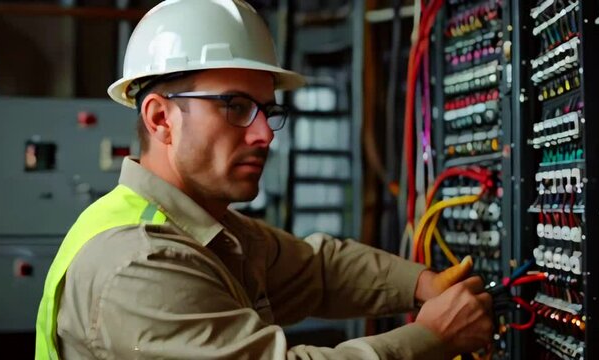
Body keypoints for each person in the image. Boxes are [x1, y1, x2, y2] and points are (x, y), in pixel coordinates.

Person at [35, 0, 493, 358]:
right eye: (235, 107)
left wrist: (423, 284)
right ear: (160, 118)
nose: (263, 134)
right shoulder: (138, 263)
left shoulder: (200, 225)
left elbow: (318, 270)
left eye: (267, 111)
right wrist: (433, 337)